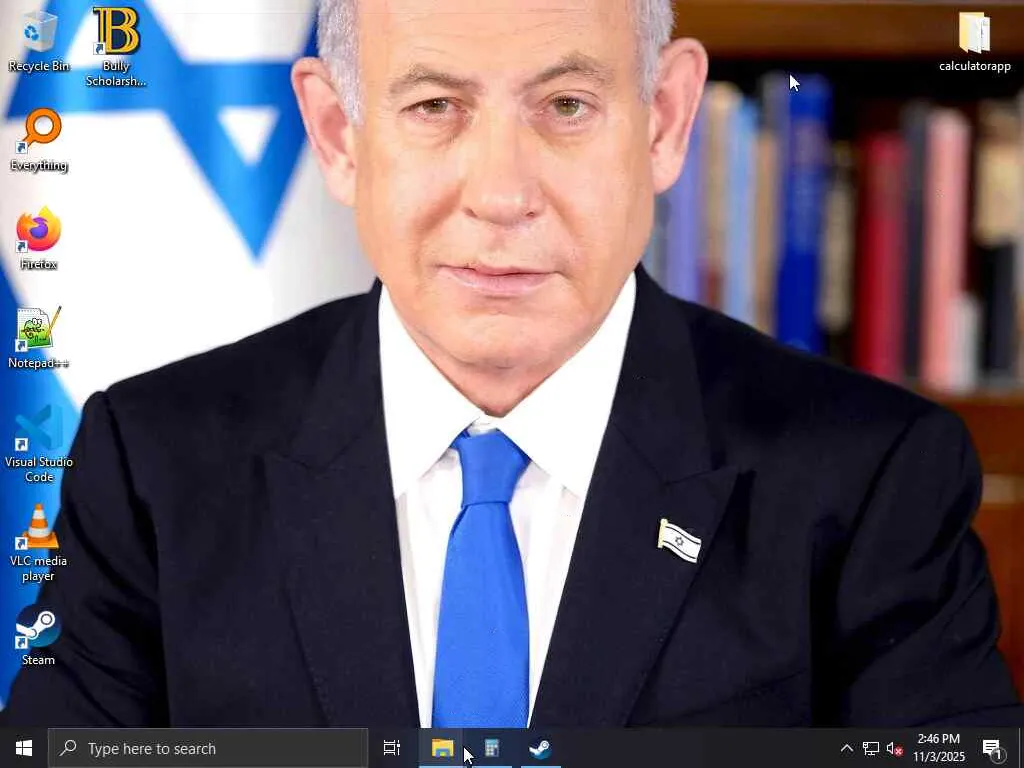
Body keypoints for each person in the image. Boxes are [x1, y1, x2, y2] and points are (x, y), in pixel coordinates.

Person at [3, 0, 1021, 728]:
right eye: (433, 106)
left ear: (665, 122)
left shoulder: (871, 475)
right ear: (339, 134)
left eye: (566, 105)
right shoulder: (154, 460)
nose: (500, 194)